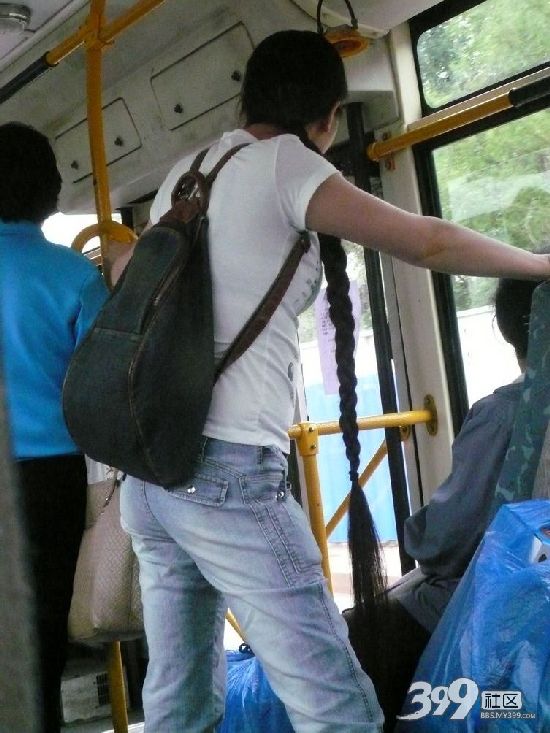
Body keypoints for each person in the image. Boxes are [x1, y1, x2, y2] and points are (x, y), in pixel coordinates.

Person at [119, 30, 550, 733]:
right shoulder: (286, 163)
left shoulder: (187, 172)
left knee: (181, 702)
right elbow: (427, 240)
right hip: (227, 474)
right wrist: (539, 267)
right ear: (326, 116)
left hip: (154, 478)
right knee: (338, 707)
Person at [345, 264, 549, 731]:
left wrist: (416, 532)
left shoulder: (504, 416)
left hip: (503, 607)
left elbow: (446, 541)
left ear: (509, 331)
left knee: (358, 635)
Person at [0, 122, 109, 733]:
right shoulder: (75, 277)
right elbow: (99, 385)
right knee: (38, 632)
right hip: (50, 481)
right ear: (50, 191)